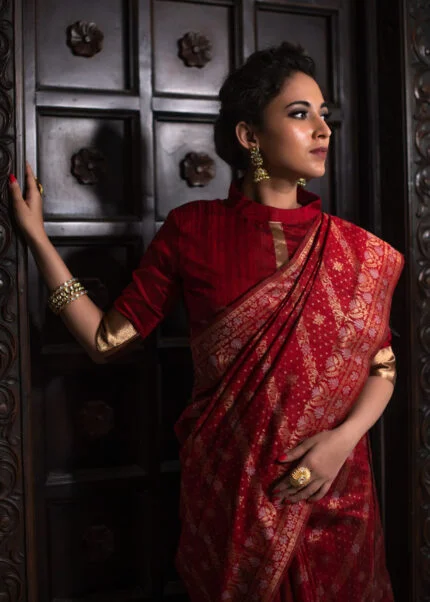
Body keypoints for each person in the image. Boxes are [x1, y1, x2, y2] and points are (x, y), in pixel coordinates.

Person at [10, 42, 403, 602]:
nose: (322, 129)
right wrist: (38, 240)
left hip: (335, 493)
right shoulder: (193, 231)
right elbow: (105, 340)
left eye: (323, 114)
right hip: (231, 493)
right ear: (250, 136)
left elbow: (383, 366)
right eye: (300, 114)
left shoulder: (355, 252)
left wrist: (341, 441)